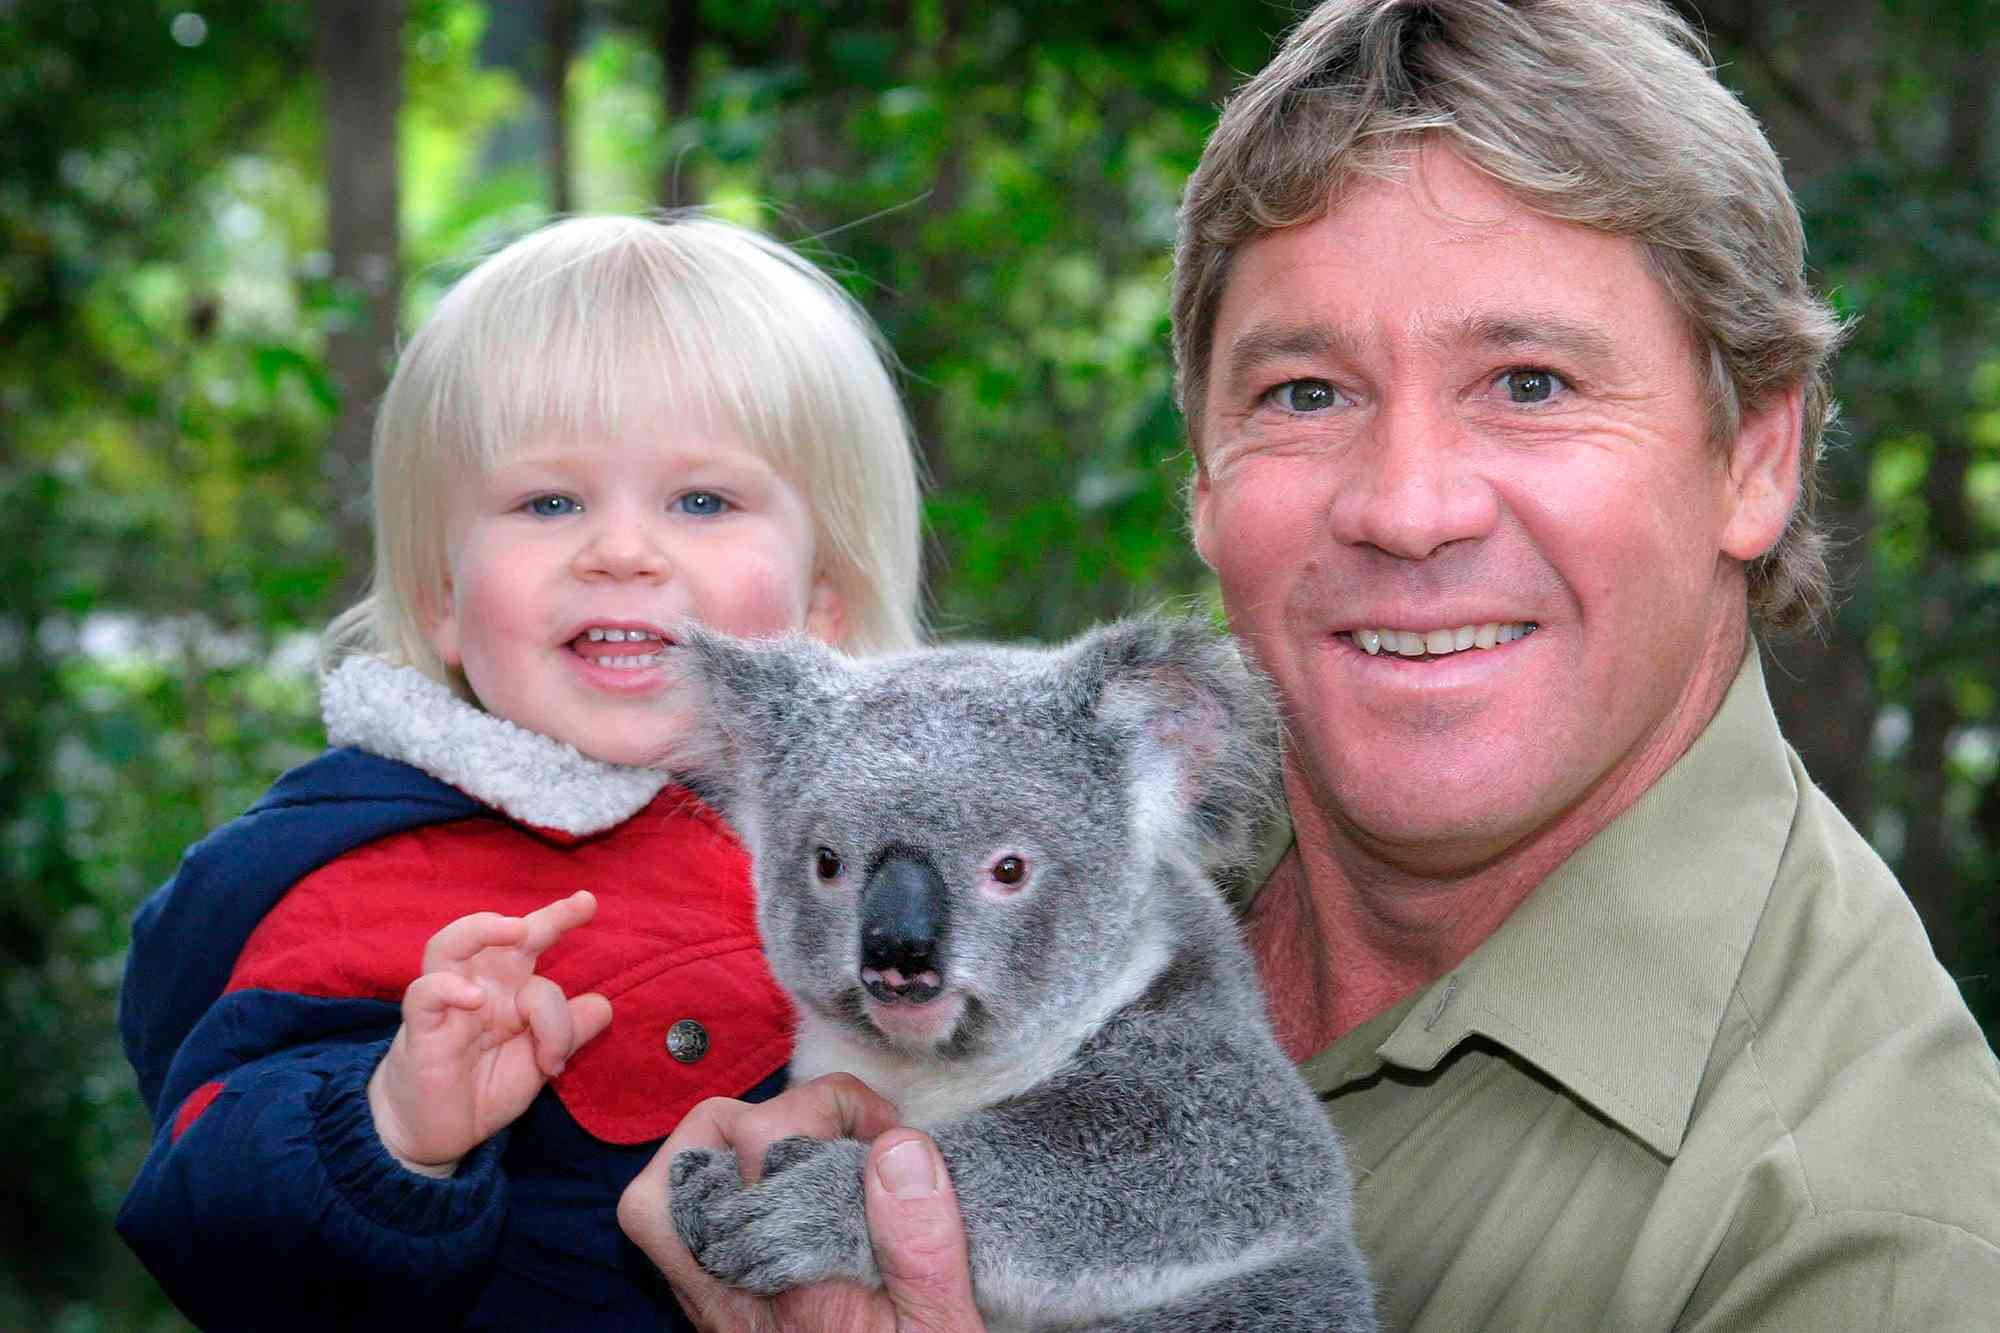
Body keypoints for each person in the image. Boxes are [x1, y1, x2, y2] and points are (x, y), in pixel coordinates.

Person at [617, 2, 2000, 1329]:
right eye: (1306, 394)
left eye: (1531, 382)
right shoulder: (1084, 803)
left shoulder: (1876, 1224)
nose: (1409, 508)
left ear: (1756, 459)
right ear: (1203, 480)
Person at [115, 213, 927, 1331]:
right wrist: (394, 1124)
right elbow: (210, 1219)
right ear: (443, 597)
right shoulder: (370, 882)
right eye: (550, 502)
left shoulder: (914, 857)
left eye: (701, 501)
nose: (622, 550)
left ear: (823, 597)